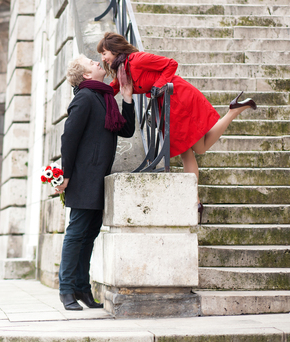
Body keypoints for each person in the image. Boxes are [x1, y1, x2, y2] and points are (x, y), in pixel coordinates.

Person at [97, 32, 256, 218]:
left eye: (105, 53)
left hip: (179, 99)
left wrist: (158, 84)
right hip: (166, 105)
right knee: (187, 152)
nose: (103, 58)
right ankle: (194, 201)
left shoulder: (137, 60)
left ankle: (233, 112)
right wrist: (92, 92)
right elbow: (113, 88)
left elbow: (170, 64)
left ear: (115, 51)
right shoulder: (123, 70)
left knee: (198, 148)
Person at [54, 55, 135, 311]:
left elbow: (127, 130)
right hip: (81, 178)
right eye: (91, 62)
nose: (97, 62)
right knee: (76, 234)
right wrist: (65, 175)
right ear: (86, 75)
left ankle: (82, 289)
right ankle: (66, 289)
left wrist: (128, 97)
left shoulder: (105, 98)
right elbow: (69, 138)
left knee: (88, 236)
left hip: (98, 178)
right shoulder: (85, 98)